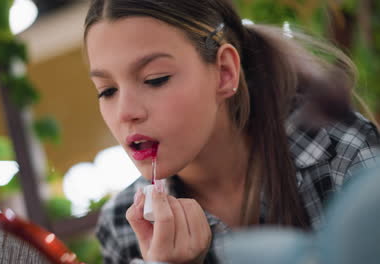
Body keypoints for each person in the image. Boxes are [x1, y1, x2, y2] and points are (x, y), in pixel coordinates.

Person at [82, 0, 380, 263]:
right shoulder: (123, 227)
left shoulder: (342, 155)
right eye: (107, 91)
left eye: (155, 79)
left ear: (225, 72)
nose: (125, 112)